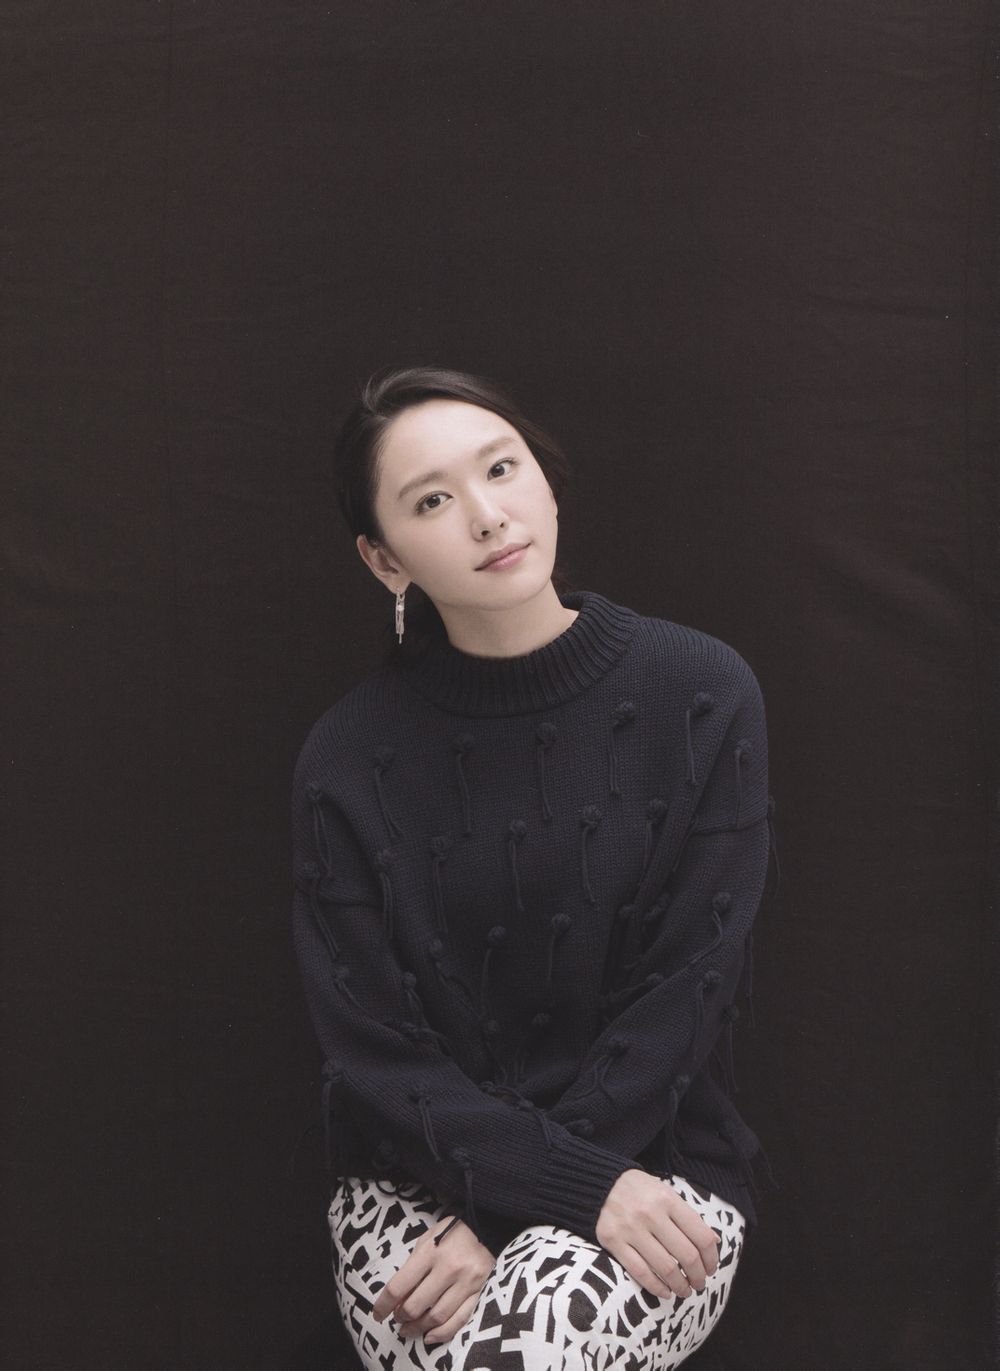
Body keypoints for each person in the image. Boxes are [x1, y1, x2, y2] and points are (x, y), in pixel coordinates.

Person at [290, 366, 778, 1369]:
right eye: (431, 501)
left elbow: (685, 994)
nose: (485, 514)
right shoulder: (344, 758)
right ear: (384, 558)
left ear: (545, 480)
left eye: (501, 468)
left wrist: (542, 1198)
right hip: (414, 1184)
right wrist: (514, 1192)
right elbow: (372, 1049)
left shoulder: (701, 692)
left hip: (654, 1162)